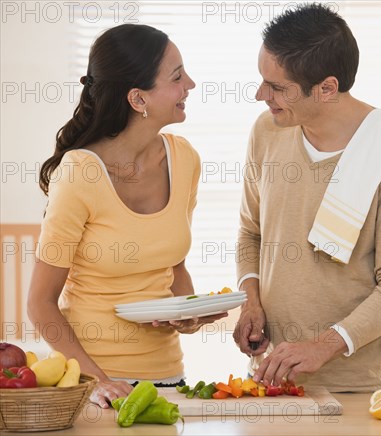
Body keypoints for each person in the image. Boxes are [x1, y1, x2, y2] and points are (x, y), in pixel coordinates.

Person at [233, 3, 381, 392]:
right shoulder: (268, 131)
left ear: (326, 88)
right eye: (262, 80)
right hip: (270, 380)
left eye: (277, 87)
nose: (261, 95)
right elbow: (250, 232)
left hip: (358, 389)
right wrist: (250, 300)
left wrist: (323, 346)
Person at [28, 24, 225, 408]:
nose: (191, 84)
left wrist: (188, 312)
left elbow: (175, 269)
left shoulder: (184, 159)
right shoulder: (80, 172)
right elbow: (41, 303)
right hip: (92, 385)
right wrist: (98, 382)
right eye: (177, 76)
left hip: (168, 380)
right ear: (138, 99)